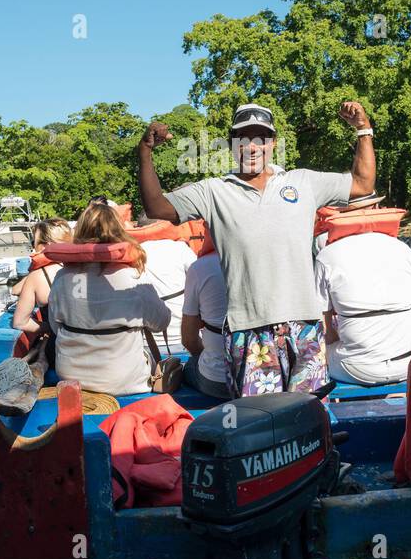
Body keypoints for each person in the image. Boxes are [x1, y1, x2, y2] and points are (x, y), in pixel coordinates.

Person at [138, 100, 376, 396]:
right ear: (231, 144)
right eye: (243, 138)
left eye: (260, 138)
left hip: (305, 327)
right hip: (247, 332)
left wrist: (363, 129)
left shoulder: (303, 182)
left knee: (309, 415)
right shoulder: (214, 191)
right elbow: (157, 207)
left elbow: (363, 184)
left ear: (273, 143)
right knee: (259, 422)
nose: (252, 146)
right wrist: (145, 152)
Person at [46, 203, 171, 396]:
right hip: (124, 381)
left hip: (71, 378)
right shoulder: (133, 278)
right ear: (119, 233)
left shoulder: (62, 277)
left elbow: (55, 327)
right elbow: (162, 322)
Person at [314, 204, 411, 386]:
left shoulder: (326, 256)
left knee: (316, 354)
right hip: (410, 363)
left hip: (357, 369)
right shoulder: (402, 249)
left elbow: (326, 331)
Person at [135, 219, 196, 355]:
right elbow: (200, 282)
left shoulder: (133, 253)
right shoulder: (180, 249)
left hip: (146, 345)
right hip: (184, 338)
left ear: (139, 228)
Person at [180, 249, 231, 399]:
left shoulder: (200, 267)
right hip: (265, 377)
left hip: (218, 380)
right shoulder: (268, 260)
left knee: (189, 367)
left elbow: (189, 340)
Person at [11, 218, 72, 335]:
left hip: (60, 347)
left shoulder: (38, 276)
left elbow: (19, 323)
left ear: (46, 245)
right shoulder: (86, 267)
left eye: (34, 242)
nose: (33, 247)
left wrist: (51, 328)